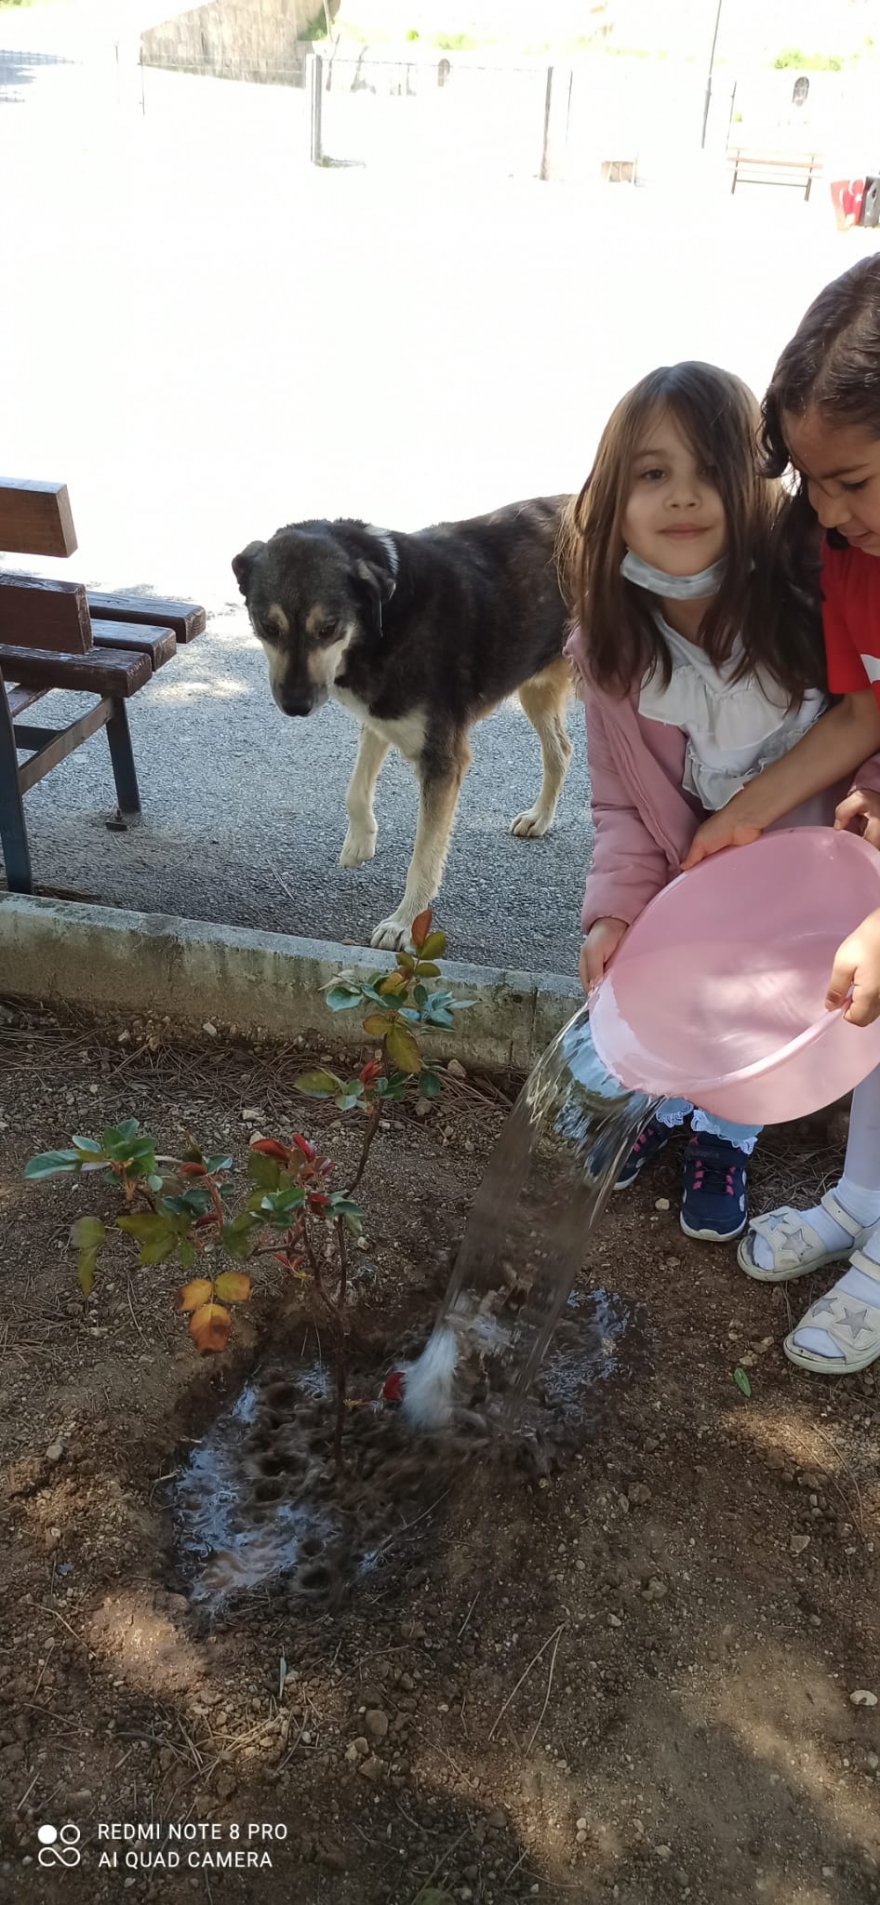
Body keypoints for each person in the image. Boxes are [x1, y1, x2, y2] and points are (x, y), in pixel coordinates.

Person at [562, 359, 880, 1249]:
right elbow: (622, 808)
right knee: (697, 991)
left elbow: (874, 722)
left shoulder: (816, 602)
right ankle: (675, 1105)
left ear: (761, 485)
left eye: (711, 470)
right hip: (700, 873)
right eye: (653, 474)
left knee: (764, 1012)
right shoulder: (616, 652)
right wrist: (614, 912)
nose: (683, 498)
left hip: (822, 882)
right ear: (612, 499)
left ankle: (728, 1134)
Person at [681, 258, 880, 1374]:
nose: (825, 513)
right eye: (810, 481)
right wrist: (745, 816)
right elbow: (858, 712)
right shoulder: (854, 555)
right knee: (864, 1006)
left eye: (849, 479)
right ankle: (859, 1200)